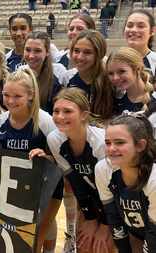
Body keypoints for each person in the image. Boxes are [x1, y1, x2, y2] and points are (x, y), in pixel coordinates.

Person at [0, 69, 63, 253]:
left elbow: (61, 160)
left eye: (17, 96)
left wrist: (46, 156)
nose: (10, 101)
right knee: (18, 239)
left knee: (40, 236)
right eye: (6, 95)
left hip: (45, 188)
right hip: (15, 188)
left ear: (31, 95)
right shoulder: (0, 121)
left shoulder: (45, 121)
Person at [48, 88, 115, 253]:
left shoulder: (101, 142)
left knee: (103, 247)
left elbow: (114, 189)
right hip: (91, 199)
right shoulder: (55, 139)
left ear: (84, 115)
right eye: (56, 111)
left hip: (117, 202)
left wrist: (105, 225)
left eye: (67, 111)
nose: (60, 116)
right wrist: (90, 218)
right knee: (84, 244)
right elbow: (76, 182)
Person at [95, 113, 156, 253]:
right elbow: (113, 217)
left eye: (120, 142)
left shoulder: (153, 179)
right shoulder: (103, 169)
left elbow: (154, 236)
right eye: (108, 142)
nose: (111, 149)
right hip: (139, 232)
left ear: (140, 145)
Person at [65, 30, 113, 121]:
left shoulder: (111, 82)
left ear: (99, 55)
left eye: (87, 52)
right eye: (76, 51)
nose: (80, 57)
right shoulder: (68, 79)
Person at [22, 32, 66, 114]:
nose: (31, 56)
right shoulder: (19, 75)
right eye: (27, 50)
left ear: (47, 52)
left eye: (37, 51)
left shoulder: (55, 82)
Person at [106, 47, 154, 115]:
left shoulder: (153, 99)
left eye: (122, 71)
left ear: (138, 69)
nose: (115, 78)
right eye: (111, 73)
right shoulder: (114, 100)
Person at [124, 9, 156, 77]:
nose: (133, 30)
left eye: (141, 26)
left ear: (152, 31)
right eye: (129, 26)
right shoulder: (114, 62)